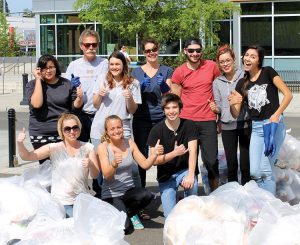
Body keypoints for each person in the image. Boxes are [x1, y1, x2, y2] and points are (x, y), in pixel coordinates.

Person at [229, 45, 293, 194]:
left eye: (253, 56)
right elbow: (234, 114)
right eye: (246, 55)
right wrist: (232, 103)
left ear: (259, 61)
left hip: (273, 126)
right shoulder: (242, 83)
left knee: (264, 169)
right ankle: (263, 201)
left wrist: (276, 114)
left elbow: (288, 94)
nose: (248, 58)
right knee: (255, 172)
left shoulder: (268, 72)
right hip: (257, 128)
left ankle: (268, 206)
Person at [17, 113, 100, 218]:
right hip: (61, 202)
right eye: (67, 129)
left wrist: (91, 164)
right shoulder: (54, 148)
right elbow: (27, 156)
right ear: (62, 131)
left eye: (75, 128)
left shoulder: (88, 147)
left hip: (81, 200)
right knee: (73, 224)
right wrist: (20, 143)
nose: (72, 132)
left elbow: (95, 175)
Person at [98, 115, 163, 234]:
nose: (116, 131)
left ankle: (131, 213)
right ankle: (116, 213)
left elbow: (144, 164)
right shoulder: (103, 147)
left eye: (119, 127)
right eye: (112, 129)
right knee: (126, 229)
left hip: (128, 193)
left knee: (147, 195)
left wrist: (154, 155)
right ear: (107, 131)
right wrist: (114, 164)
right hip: (111, 195)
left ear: (123, 128)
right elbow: (107, 175)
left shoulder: (129, 142)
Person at [171, 38, 220, 191]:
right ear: (185, 51)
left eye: (198, 50)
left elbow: (219, 88)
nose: (195, 53)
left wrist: (218, 111)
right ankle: (191, 198)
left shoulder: (211, 66)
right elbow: (175, 100)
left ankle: (215, 195)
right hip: (187, 122)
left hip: (208, 120)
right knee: (188, 162)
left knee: (211, 162)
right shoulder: (179, 72)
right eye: (191, 50)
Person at [147, 93, 198, 217]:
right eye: (168, 108)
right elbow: (154, 161)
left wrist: (191, 175)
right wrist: (174, 153)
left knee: (193, 183)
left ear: (180, 108)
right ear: (163, 111)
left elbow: (193, 152)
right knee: (169, 216)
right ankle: (178, 201)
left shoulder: (189, 125)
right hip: (166, 175)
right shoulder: (156, 130)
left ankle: (189, 208)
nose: (171, 111)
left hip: (183, 170)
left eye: (174, 107)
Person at [131, 37, 173, 188]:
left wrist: (163, 87)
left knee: (162, 153)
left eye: (154, 50)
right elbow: (132, 96)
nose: (151, 53)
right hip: (141, 119)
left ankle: (166, 188)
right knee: (142, 155)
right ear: (144, 53)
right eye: (148, 51)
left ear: (158, 50)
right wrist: (140, 88)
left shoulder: (166, 70)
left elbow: (168, 97)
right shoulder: (136, 72)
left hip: (160, 119)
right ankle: (141, 191)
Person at [26, 54, 83, 164]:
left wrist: (80, 97)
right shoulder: (32, 85)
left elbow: (75, 108)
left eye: (51, 67)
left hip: (63, 132)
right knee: (46, 170)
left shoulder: (66, 84)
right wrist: (38, 80)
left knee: (64, 166)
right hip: (41, 133)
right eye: (44, 68)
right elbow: (36, 104)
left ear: (56, 67)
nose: (48, 71)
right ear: (39, 69)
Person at [208, 45, 251, 185]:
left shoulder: (245, 76)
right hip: (227, 126)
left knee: (246, 165)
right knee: (231, 165)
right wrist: (216, 109)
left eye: (228, 60)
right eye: (222, 62)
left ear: (233, 60)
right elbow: (220, 106)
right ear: (218, 64)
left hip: (245, 124)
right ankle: (234, 196)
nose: (225, 64)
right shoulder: (217, 82)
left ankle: (248, 196)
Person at [65, 29, 108, 142]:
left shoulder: (105, 64)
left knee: (100, 151)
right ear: (81, 46)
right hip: (81, 114)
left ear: (98, 45)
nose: (91, 47)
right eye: (87, 44)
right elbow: (65, 90)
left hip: (100, 114)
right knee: (82, 150)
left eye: (94, 44)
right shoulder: (74, 65)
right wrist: (71, 85)